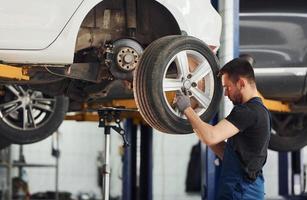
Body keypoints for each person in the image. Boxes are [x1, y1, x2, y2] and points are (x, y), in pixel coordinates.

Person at [175, 57, 271, 199]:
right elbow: (226, 152)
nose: (225, 94)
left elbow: (210, 137)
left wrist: (187, 109)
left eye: (227, 87)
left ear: (241, 83)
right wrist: (195, 121)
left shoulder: (247, 112)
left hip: (242, 191)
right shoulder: (259, 111)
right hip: (244, 188)